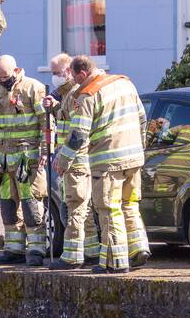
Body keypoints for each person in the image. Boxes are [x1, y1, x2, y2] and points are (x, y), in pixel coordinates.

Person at [54, 56, 150, 273]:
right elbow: (142, 118)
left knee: (109, 208)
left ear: (82, 74)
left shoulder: (89, 95)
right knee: (130, 204)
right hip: (134, 158)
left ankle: (116, 262)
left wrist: (63, 160)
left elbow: (78, 135)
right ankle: (137, 249)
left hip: (108, 161)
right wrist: (140, 147)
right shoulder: (126, 83)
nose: (77, 85)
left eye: (77, 80)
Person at [0, 55, 49, 266]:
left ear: (17, 70)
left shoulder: (33, 88)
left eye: (6, 76)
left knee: (31, 206)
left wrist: (46, 151)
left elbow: (46, 123)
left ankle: (37, 250)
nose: (3, 80)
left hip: (27, 160)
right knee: (8, 207)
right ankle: (14, 249)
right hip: (4, 162)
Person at [43, 53, 100, 269]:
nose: (54, 77)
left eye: (57, 73)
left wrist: (63, 159)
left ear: (69, 72)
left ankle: (72, 257)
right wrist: (55, 107)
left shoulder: (77, 93)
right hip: (76, 159)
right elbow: (68, 119)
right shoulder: (69, 94)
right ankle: (92, 252)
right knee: (83, 210)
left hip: (75, 160)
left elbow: (77, 132)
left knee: (74, 207)